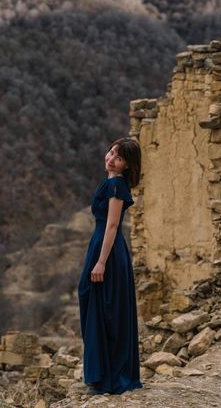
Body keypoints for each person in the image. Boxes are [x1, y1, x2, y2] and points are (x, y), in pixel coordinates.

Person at [77, 136, 143, 395]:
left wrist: (101, 262)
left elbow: (113, 225)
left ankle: (108, 376)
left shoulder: (117, 185)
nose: (111, 158)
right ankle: (100, 372)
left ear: (127, 165)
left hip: (109, 251)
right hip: (100, 244)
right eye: (111, 152)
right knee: (92, 300)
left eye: (118, 156)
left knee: (106, 309)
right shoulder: (110, 182)